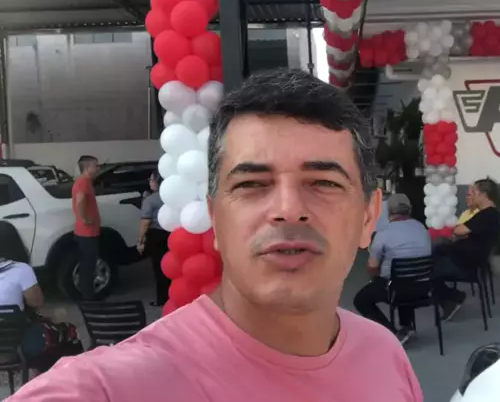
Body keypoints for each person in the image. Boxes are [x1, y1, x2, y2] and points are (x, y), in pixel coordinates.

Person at [8, 69, 423, 402]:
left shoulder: (384, 353)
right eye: (251, 184)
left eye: (323, 182)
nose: (287, 208)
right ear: (214, 218)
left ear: (369, 216)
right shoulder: (121, 386)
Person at [0, 221, 84, 373]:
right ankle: (60, 379)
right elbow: (37, 302)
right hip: (18, 347)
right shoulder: (21, 270)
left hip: (7, 343)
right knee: (66, 332)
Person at [353, 193, 431, 344]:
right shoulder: (421, 227)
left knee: (361, 299)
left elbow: (372, 267)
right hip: (424, 287)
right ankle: (407, 326)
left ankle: (391, 333)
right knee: (405, 277)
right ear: (409, 209)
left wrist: (375, 278)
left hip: (397, 290)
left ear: (388, 211)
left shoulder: (383, 234)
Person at [433, 178, 500, 321]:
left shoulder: (487, 215)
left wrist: (460, 233)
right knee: (437, 250)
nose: (472, 196)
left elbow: (459, 230)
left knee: (426, 269)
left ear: (484, 194)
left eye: (474, 193)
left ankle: (453, 298)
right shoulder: (486, 215)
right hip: (464, 259)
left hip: (465, 265)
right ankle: (450, 299)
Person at [137, 170, 170, 307]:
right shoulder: (170, 196)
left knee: (159, 267)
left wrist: (140, 240)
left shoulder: (150, 200)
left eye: (151, 180)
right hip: (171, 234)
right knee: (171, 265)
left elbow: (145, 222)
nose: (149, 182)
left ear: (158, 182)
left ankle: (162, 299)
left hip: (156, 235)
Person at [72, 155, 101, 301]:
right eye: (95, 166)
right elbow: (80, 200)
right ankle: (89, 299)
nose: (98, 169)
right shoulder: (83, 182)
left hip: (86, 232)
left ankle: (88, 297)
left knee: (87, 266)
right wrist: (85, 218)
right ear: (87, 167)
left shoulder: (85, 182)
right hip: (87, 233)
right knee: (88, 267)